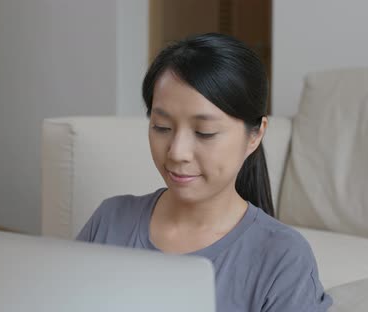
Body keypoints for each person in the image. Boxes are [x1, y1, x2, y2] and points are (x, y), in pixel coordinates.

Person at [76, 33, 332, 311]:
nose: (177, 152)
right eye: (162, 127)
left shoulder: (282, 256)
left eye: (204, 132)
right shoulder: (110, 220)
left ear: (255, 135)